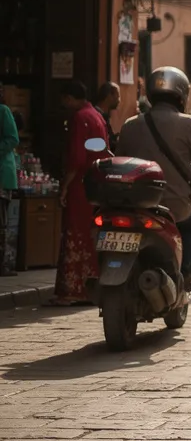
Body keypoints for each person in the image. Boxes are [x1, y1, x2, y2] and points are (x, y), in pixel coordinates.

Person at [118, 68, 191, 283]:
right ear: (182, 95)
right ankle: (185, 275)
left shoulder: (130, 125)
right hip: (174, 206)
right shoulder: (189, 123)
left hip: (134, 204)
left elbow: (120, 159)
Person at [53, 81, 111, 304]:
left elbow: (77, 157)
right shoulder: (95, 116)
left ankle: (73, 289)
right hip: (95, 182)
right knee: (89, 235)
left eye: (64, 100)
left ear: (69, 98)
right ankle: (89, 286)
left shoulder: (79, 118)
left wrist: (65, 185)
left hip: (80, 184)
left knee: (74, 233)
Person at [0, 86, 18, 277]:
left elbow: (13, 139)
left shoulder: (3, 111)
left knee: (0, 222)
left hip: (1, 172)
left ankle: (3, 264)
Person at [93, 82, 121, 152]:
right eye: (118, 96)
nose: (119, 100)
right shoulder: (96, 116)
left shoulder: (104, 115)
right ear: (109, 96)